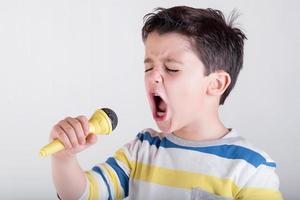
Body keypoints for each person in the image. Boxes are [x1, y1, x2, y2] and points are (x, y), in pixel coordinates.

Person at [50, 6, 282, 200]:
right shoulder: (142, 149)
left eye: (172, 68)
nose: (152, 77)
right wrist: (64, 158)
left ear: (216, 84)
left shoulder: (251, 168)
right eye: (148, 67)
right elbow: (84, 194)